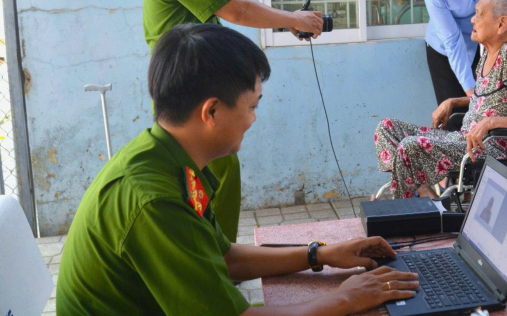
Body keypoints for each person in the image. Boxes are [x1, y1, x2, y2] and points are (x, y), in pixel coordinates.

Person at [57, 24, 418, 316]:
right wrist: (345, 299)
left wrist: (319, 254)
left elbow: (223, 257)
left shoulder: (164, 157)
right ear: (210, 112)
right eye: (251, 105)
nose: (253, 119)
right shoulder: (154, 200)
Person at [142, 0, 323, 242]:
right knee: (210, 174)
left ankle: (216, 258)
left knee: (215, 172)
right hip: (190, 87)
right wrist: (294, 19)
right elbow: (234, 10)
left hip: (196, 82)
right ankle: (219, 262)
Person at [374, 0, 507, 199]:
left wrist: (491, 123)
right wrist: (454, 101)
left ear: (501, 24)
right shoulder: (489, 52)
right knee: (387, 128)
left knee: (411, 147)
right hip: (465, 139)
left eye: (480, 14)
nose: (473, 20)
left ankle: (404, 210)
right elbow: (491, 98)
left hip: (495, 148)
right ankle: (424, 193)